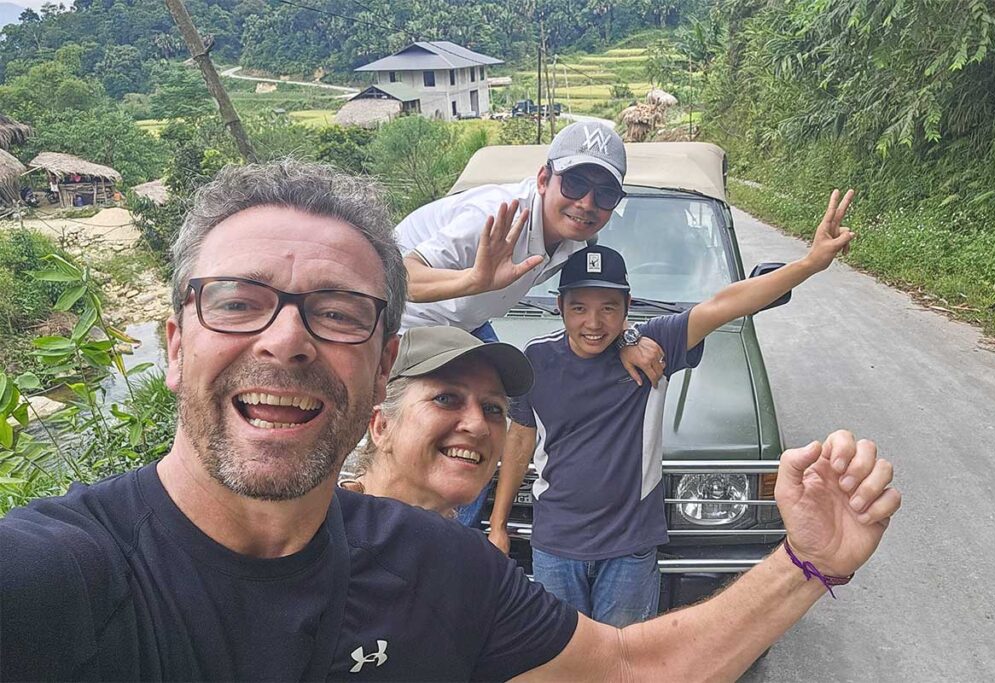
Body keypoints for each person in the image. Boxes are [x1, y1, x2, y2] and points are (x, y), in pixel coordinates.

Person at [0, 160, 901, 682]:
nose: (285, 339)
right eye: (238, 301)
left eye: (339, 311)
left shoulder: (436, 564)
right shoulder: (62, 573)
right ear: (172, 343)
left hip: (621, 545)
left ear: (384, 359)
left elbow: (632, 669)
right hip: (558, 542)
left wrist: (807, 559)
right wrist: (508, 512)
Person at [488, 190, 859, 627]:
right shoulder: (536, 360)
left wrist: (810, 264)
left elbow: (726, 304)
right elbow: (521, 438)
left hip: (629, 548)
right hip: (555, 545)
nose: (593, 323)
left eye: (609, 308)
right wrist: (498, 523)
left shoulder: (656, 347)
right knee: (558, 660)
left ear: (627, 309)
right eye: (580, 308)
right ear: (560, 308)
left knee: (625, 661)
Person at [396, 121, 664, 527]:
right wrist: (473, 281)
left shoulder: (578, 237)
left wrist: (625, 336)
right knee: (453, 432)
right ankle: (437, 530)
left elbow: (593, 298)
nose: (587, 203)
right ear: (543, 179)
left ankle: (465, 531)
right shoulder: (496, 217)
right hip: (408, 322)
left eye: (604, 194)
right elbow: (398, 278)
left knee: (501, 411)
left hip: (467, 322)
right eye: (574, 184)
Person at [341, 326, 533, 521]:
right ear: (382, 426)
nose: (478, 425)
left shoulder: (463, 549)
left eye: (493, 408)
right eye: (446, 399)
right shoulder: (318, 536)